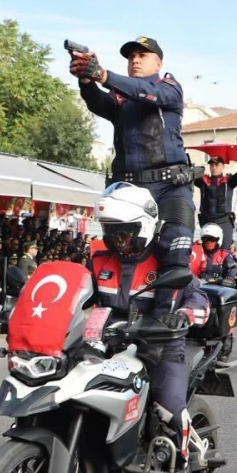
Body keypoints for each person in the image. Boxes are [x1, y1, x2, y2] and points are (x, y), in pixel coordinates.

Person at [89, 183, 219, 473]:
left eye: (126, 232)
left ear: (145, 227)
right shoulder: (99, 261)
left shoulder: (168, 263)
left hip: (162, 347)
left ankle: (183, 468)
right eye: (112, 231)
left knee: (170, 407)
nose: (119, 240)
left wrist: (186, 315)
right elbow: (79, 295)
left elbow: (197, 297)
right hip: (110, 347)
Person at [71, 36, 194, 317]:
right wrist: (85, 78)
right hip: (127, 190)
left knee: (175, 253)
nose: (135, 60)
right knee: (116, 253)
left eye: (142, 55)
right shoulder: (121, 96)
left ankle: (162, 326)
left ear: (158, 63)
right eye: (130, 57)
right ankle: (110, 320)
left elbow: (145, 92)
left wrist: (102, 74)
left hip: (168, 188)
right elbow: (96, 102)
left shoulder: (170, 88)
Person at [196, 145, 237, 250]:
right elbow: (189, 175)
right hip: (207, 222)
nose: (214, 167)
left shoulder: (228, 181)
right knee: (207, 253)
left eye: (217, 165)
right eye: (211, 165)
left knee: (224, 252)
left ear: (222, 166)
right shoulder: (203, 181)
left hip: (224, 222)